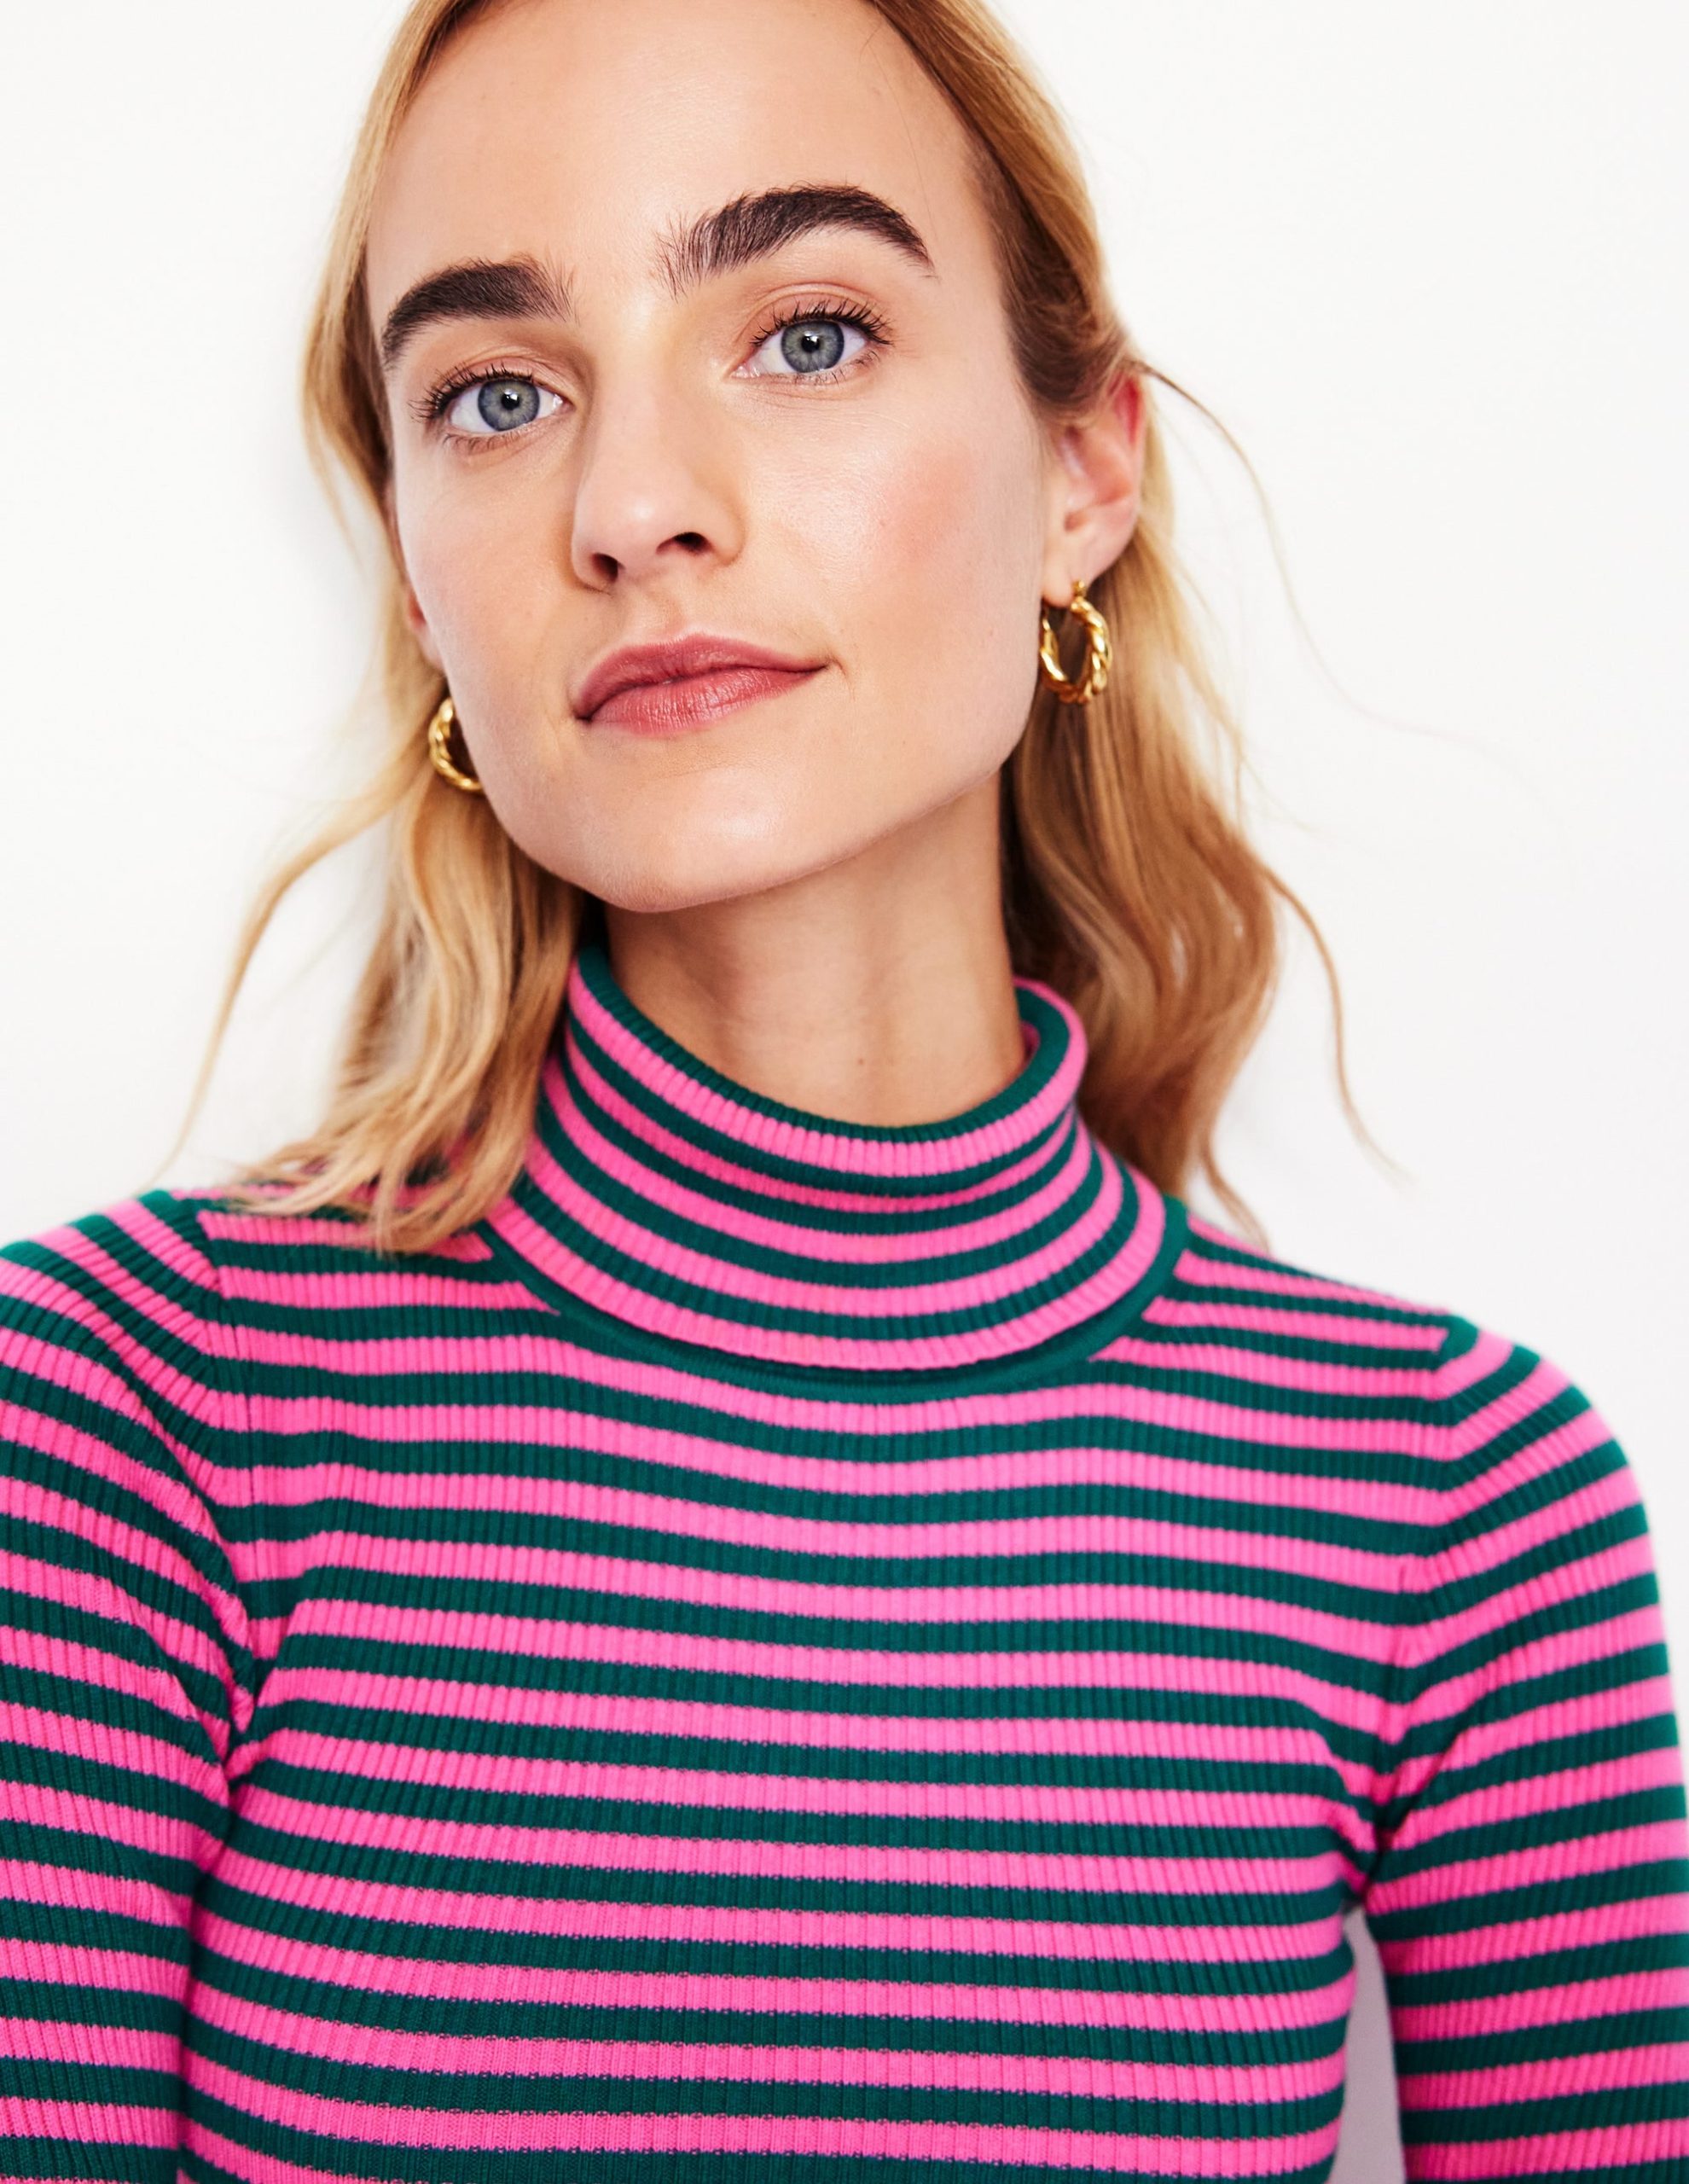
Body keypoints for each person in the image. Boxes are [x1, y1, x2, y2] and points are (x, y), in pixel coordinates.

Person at [3, 0, 1686, 2177]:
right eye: (498, 395)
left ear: (1083, 471)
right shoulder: (118, 1424)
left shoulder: (1452, 1508)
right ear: (416, 571)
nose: (633, 509)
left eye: (806, 336)